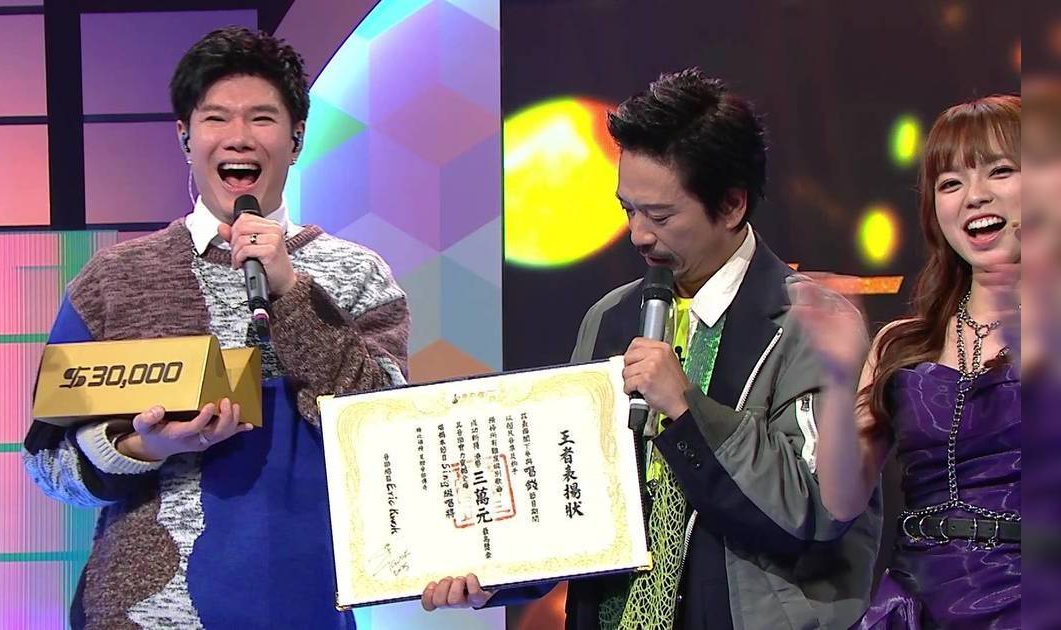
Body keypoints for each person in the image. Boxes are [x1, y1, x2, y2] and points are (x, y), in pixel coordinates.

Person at [423, 69, 881, 629]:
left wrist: (688, 408)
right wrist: (493, 571)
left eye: (660, 216)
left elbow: (814, 507)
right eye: (628, 211)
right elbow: (570, 499)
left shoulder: (810, 323)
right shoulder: (609, 318)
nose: (639, 234)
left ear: (732, 205)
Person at [22, 27, 409, 628]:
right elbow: (47, 465)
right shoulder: (114, 279)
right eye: (216, 118)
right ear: (185, 137)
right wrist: (142, 447)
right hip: (138, 615)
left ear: (296, 139)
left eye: (262, 118)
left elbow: (384, 431)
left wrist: (292, 290)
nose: (239, 136)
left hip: (303, 607)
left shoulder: (357, 274)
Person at [790, 95, 1022, 628]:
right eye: (951, 183)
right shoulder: (902, 345)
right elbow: (841, 501)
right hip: (916, 605)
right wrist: (837, 375)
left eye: (1000, 171)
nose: (975, 196)